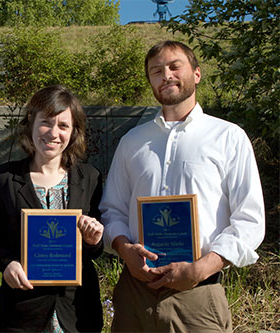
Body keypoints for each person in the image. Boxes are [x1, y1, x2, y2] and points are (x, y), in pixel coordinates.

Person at [99, 40, 265, 332]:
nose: (166, 75)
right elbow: (112, 210)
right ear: (150, 80)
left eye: (175, 66)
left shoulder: (228, 138)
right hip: (135, 293)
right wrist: (125, 251)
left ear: (197, 73)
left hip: (198, 294)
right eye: (156, 71)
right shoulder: (132, 142)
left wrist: (201, 269)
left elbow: (249, 220)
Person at [0, 85, 104, 332]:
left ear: (73, 132)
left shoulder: (90, 178)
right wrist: (7, 264)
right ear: (31, 124)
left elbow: (95, 252)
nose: (53, 133)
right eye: (46, 122)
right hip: (23, 310)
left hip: (77, 311)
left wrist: (93, 240)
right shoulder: (4, 178)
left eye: (63, 125)